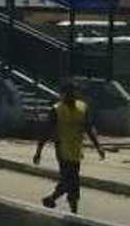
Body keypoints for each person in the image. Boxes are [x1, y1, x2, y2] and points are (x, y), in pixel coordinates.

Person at [33, 82, 105, 214]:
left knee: (70, 178)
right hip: (62, 149)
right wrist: (38, 151)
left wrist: (98, 147)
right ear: (62, 94)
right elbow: (46, 131)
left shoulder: (82, 108)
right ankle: (72, 208)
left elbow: (88, 128)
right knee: (72, 178)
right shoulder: (56, 109)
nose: (70, 96)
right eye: (67, 93)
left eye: (72, 92)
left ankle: (53, 199)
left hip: (76, 149)